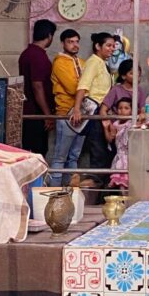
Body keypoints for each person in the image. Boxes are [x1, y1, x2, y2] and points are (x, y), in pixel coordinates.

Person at [73, 32, 116, 172]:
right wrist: (77, 109)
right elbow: (83, 86)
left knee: (104, 150)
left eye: (113, 46)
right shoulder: (93, 62)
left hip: (103, 110)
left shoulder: (102, 63)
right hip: (94, 111)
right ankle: (95, 187)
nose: (112, 49)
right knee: (98, 150)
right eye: (108, 45)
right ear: (98, 46)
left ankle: (100, 188)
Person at [49, 28, 85, 185]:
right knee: (60, 157)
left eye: (77, 42)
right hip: (66, 113)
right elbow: (73, 87)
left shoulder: (81, 61)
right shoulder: (60, 62)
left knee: (74, 156)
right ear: (63, 43)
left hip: (82, 113)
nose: (74, 45)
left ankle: (69, 194)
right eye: (70, 42)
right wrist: (87, 86)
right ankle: (54, 195)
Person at [18, 19, 56, 157]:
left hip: (30, 111)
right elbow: (37, 86)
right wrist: (47, 114)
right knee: (37, 152)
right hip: (36, 113)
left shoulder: (27, 53)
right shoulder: (37, 56)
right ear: (50, 36)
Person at [106, 96, 134, 191]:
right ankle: (123, 201)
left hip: (130, 157)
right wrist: (106, 128)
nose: (122, 111)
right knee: (121, 182)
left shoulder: (132, 123)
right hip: (119, 157)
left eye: (126, 108)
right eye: (120, 108)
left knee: (129, 181)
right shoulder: (115, 125)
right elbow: (110, 139)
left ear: (132, 111)